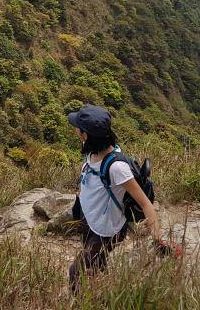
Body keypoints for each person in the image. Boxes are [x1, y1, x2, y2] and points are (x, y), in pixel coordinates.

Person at [67, 104, 161, 293]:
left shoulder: (117, 168)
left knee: (76, 272)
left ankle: (81, 303)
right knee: (96, 262)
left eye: (78, 127)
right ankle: (101, 290)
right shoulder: (92, 150)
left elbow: (145, 203)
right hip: (91, 220)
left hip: (106, 229)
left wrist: (158, 240)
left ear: (85, 135)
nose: (75, 128)